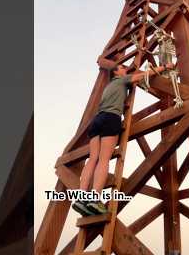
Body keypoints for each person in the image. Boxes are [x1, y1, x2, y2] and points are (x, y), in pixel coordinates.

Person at [72, 61, 175, 216]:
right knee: (104, 159)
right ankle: (94, 199)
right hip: (111, 118)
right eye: (122, 68)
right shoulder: (122, 80)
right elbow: (145, 75)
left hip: (97, 120)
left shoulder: (108, 87)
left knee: (93, 159)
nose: (125, 69)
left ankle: (81, 198)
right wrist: (166, 67)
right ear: (116, 73)